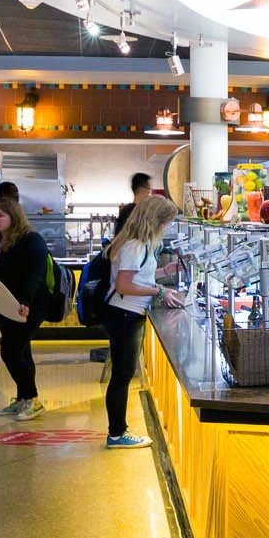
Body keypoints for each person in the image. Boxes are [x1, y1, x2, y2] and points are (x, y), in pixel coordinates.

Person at [100, 193, 184, 450]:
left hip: (125, 313)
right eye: (166, 222)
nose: (167, 228)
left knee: (122, 375)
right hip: (124, 314)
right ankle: (116, 434)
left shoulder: (137, 244)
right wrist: (159, 291)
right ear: (156, 221)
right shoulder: (135, 246)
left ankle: (117, 431)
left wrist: (165, 272)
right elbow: (125, 285)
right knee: (122, 376)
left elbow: (138, 276)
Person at [0, 195, 48, 419]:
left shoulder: (31, 240)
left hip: (30, 305)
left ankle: (33, 399)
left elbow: (35, 274)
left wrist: (25, 302)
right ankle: (23, 399)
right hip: (7, 305)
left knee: (10, 351)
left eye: (1, 215)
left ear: (13, 217)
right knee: (22, 351)